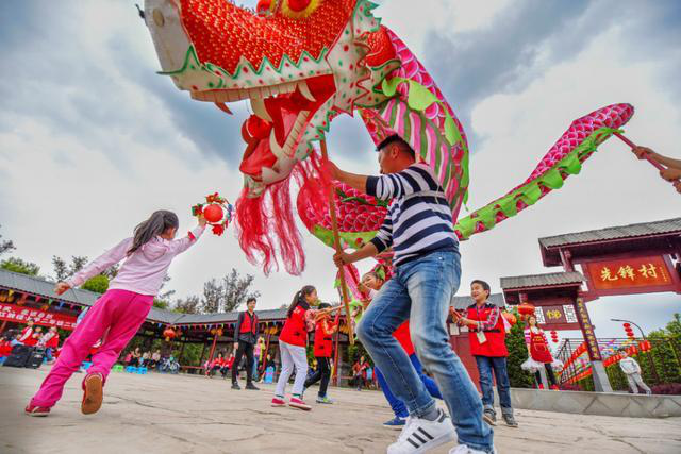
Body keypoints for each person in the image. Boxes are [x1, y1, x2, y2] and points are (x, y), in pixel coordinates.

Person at [329, 134, 494, 454]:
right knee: (370, 328)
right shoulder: (398, 204)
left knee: (429, 339)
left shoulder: (423, 172)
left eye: (380, 161)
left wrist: (338, 175)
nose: (380, 167)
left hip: (435, 261)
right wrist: (350, 258)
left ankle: (478, 441)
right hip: (403, 273)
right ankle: (427, 416)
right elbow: (381, 240)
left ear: (393, 152)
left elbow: (382, 186)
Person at [25, 210, 206, 417]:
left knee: (77, 345)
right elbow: (191, 239)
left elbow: (103, 261)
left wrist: (72, 281)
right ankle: (97, 373)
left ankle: (43, 401)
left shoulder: (134, 242)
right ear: (172, 230)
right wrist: (202, 223)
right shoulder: (172, 247)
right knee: (112, 347)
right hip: (142, 302)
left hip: (117, 295)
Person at [362, 271, 444, 428]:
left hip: (405, 339)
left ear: (380, 282)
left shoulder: (392, 290)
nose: (365, 282)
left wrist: (361, 287)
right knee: (409, 377)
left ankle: (405, 413)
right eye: (362, 280)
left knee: (414, 378)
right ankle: (404, 412)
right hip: (395, 341)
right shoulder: (374, 298)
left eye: (368, 279)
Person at [453, 280, 517, 428]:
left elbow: (490, 324)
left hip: (496, 348)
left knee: (502, 381)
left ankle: (508, 413)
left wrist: (468, 321)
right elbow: (461, 323)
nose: (474, 291)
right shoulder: (468, 309)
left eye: (477, 288)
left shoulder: (494, 307)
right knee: (485, 379)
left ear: (486, 292)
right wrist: (458, 320)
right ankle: (488, 410)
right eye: (472, 289)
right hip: (480, 349)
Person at [271, 285, 319, 411]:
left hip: (284, 338)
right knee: (302, 368)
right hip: (295, 339)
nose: (316, 297)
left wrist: (317, 314)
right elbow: (310, 328)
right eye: (314, 294)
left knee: (287, 368)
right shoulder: (307, 310)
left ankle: (278, 396)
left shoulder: (296, 306)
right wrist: (317, 318)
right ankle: (296, 396)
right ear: (307, 296)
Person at [303, 303, 337, 404]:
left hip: (322, 349)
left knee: (321, 372)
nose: (331, 311)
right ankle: (321, 396)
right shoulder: (322, 319)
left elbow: (331, 324)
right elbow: (328, 332)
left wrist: (337, 316)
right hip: (323, 350)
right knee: (327, 371)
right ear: (323, 310)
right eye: (329, 309)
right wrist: (336, 322)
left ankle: (304, 386)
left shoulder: (322, 319)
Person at [521, 316, 560, 390]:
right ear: (529, 321)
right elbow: (528, 341)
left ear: (536, 321)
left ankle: (553, 384)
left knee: (548, 367)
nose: (532, 320)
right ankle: (540, 384)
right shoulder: (527, 331)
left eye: (534, 319)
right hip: (534, 350)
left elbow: (545, 341)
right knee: (536, 367)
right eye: (531, 319)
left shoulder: (541, 330)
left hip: (544, 350)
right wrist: (529, 351)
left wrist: (549, 349)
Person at [231, 297, 260, 390]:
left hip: (250, 342)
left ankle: (249, 383)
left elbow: (257, 331)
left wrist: (255, 342)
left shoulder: (256, 317)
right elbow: (237, 328)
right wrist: (235, 341)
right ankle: (234, 382)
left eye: (254, 303)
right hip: (241, 339)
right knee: (237, 360)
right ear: (247, 304)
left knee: (251, 361)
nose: (253, 305)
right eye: (251, 303)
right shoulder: (242, 315)